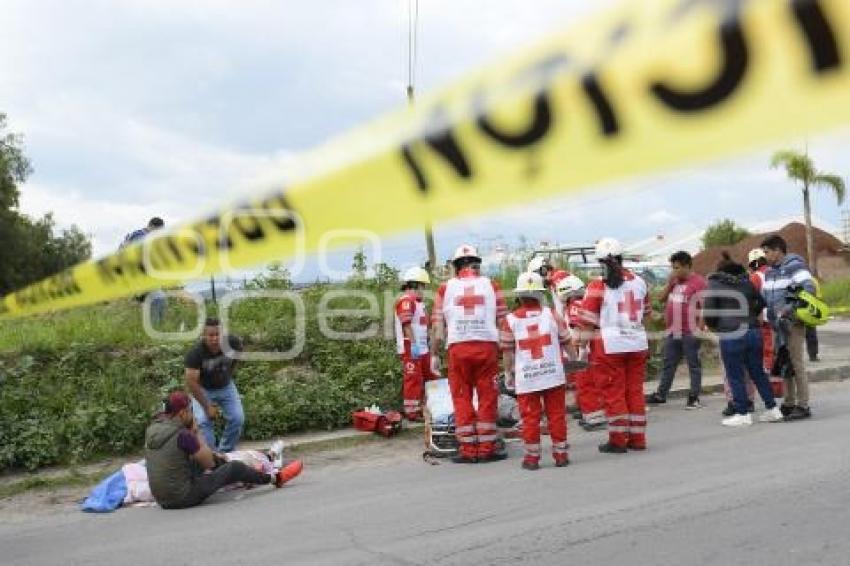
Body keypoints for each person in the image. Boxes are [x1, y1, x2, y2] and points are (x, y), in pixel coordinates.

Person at [144, 391, 302, 510]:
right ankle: (275, 479)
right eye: (190, 410)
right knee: (234, 468)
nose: (193, 414)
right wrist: (196, 431)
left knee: (207, 459)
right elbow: (208, 462)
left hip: (161, 498)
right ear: (183, 413)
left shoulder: (152, 429)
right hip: (181, 497)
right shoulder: (183, 435)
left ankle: (252, 464)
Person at [432, 244, 508, 464]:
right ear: (477, 265)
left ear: (456, 267)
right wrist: (506, 351)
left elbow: (437, 327)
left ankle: (467, 449)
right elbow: (503, 321)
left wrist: (435, 355)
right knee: (487, 395)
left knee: (461, 396)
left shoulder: (444, 289)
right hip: (486, 348)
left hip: (458, 348)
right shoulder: (492, 286)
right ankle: (486, 449)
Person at [579, 238, 651, 453]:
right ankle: (638, 438)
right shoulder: (640, 282)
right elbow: (646, 314)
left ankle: (619, 439)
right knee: (634, 391)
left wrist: (580, 348)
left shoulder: (597, 285)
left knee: (614, 393)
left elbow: (586, 322)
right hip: (637, 342)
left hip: (609, 346)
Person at [703, 253, 784, 427]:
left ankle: (742, 413)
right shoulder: (746, 282)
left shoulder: (714, 283)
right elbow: (761, 302)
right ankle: (773, 409)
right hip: (753, 332)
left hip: (731, 334)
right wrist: (750, 317)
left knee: (735, 375)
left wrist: (716, 327)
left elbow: (709, 312)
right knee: (757, 372)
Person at [501, 272, 570, 470]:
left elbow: (507, 352)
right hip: (553, 376)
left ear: (520, 296)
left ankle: (532, 459)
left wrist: (508, 373)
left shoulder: (510, 320)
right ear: (540, 294)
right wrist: (576, 360)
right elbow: (567, 342)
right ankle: (561, 455)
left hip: (527, 379)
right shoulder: (552, 314)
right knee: (556, 415)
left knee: (530, 418)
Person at [761, 235, 816, 421]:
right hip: (777, 326)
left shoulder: (795, 266)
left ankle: (803, 405)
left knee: (796, 363)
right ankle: (789, 402)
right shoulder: (769, 272)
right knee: (785, 364)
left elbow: (808, 288)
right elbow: (767, 298)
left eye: (767, 252)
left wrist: (788, 308)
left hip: (793, 324)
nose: (765, 256)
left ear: (777, 250)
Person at [646, 251, 707, 409]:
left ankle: (694, 397)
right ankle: (661, 395)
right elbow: (660, 298)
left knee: (693, 364)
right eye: (672, 267)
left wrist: (699, 330)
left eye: (677, 267)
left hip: (690, 331)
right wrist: (669, 282)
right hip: (673, 331)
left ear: (687, 266)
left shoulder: (699, 283)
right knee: (668, 363)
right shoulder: (674, 281)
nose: (674, 270)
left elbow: (706, 308)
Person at [185, 318, 245, 452]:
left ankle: (225, 451)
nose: (215, 339)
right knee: (203, 421)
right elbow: (191, 382)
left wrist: (229, 374)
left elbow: (237, 356)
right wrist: (207, 407)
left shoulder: (233, 343)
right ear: (204, 335)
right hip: (203, 389)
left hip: (226, 386)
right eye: (211, 335)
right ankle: (211, 455)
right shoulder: (195, 353)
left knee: (237, 418)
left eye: (218, 334)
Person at [556, 274, 606, 431]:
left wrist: (578, 350)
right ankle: (597, 414)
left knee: (585, 384)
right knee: (594, 383)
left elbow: (578, 329)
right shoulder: (583, 302)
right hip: (593, 348)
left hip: (582, 350)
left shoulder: (574, 306)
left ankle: (593, 418)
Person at [394, 266, 435, 420]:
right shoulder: (406, 301)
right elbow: (406, 324)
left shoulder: (419, 303)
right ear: (414, 285)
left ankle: (428, 407)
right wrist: (414, 345)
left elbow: (425, 325)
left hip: (423, 348)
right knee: (413, 379)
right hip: (410, 347)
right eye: (422, 287)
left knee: (429, 377)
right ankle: (412, 412)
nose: (422, 290)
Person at [120, 216, 167, 325]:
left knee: (158, 299)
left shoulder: (138, 235)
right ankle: (156, 327)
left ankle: (157, 326)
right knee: (158, 299)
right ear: (151, 226)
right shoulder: (140, 237)